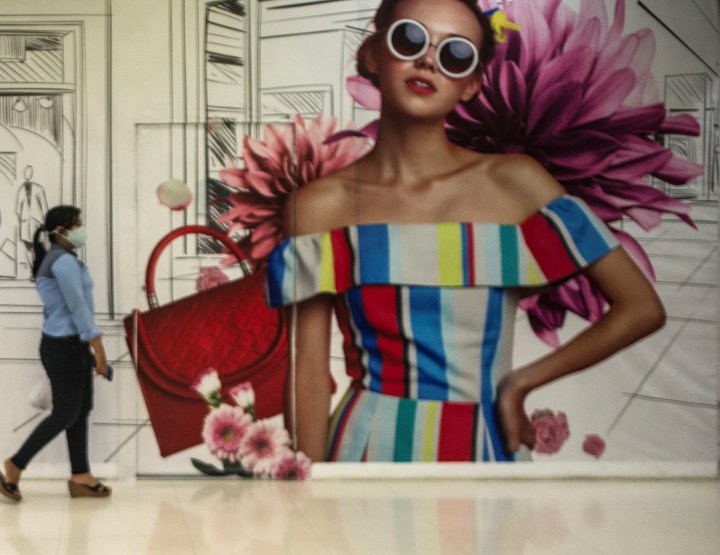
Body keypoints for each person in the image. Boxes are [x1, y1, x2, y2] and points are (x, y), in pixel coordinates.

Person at [269, 0, 665, 462]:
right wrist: (312, 503)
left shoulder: (517, 182)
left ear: (472, 83)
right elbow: (309, 375)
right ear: (374, 54)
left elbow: (641, 308)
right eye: (410, 39)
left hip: (486, 449)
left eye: (456, 54)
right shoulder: (317, 205)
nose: (428, 60)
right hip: (365, 451)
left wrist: (521, 381)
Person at [0, 205, 111, 501]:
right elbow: (78, 307)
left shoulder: (61, 259)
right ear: (60, 231)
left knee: (79, 411)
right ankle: (14, 466)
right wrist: (99, 350)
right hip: (65, 346)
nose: (82, 228)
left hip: (68, 345)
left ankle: (81, 475)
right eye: (77, 224)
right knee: (66, 413)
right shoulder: (62, 262)